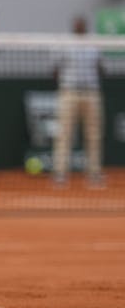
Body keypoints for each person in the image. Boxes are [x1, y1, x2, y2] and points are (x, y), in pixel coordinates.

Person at [52, 16, 105, 190]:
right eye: (77, 24)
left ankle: (94, 173)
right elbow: (55, 70)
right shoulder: (65, 43)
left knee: (93, 134)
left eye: (82, 24)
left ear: (86, 26)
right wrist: (66, 84)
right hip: (69, 92)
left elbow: (100, 67)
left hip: (91, 93)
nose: (80, 26)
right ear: (73, 26)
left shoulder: (93, 44)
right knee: (64, 134)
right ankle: (60, 173)